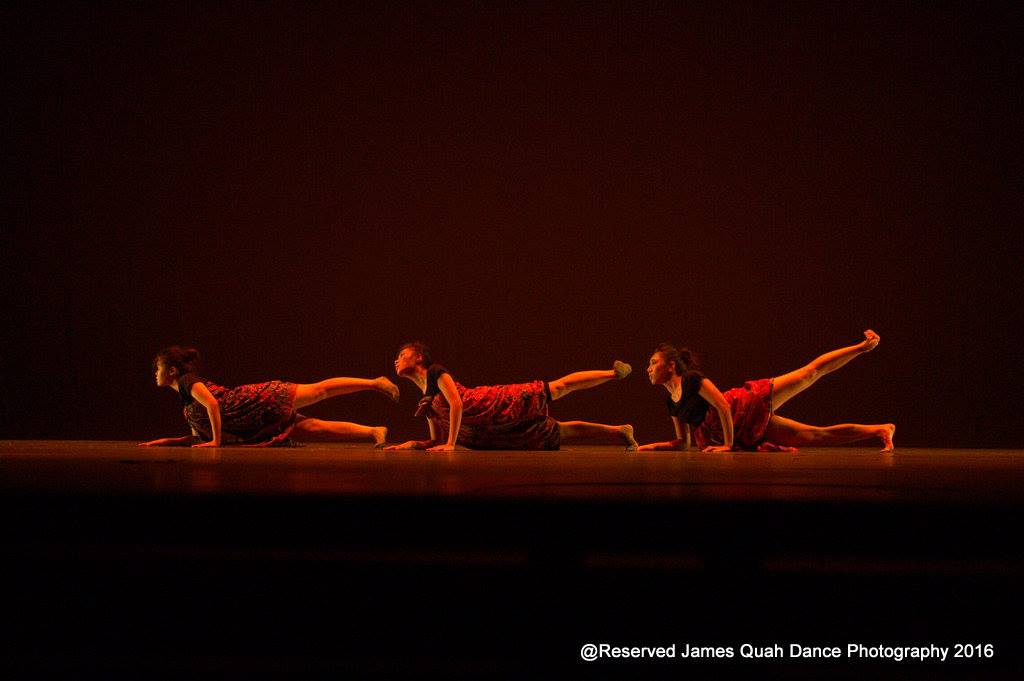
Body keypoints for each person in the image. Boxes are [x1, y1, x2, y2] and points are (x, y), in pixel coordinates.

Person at [637, 330, 895, 453]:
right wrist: (650, 447)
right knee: (814, 436)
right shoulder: (671, 402)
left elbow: (722, 406)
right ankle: (880, 430)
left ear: (671, 366)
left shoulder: (692, 379)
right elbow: (683, 443)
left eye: (653, 362)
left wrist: (727, 445)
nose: (648, 368)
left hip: (744, 407)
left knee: (808, 373)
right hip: (741, 431)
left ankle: (862, 347)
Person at [385, 342, 639, 451]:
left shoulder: (436, 372)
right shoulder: (426, 399)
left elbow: (457, 404)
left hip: (493, 404)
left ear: (419, 357)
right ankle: (619, 431)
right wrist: (413, 444)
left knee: (555, 388)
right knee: (554, 431)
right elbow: (436, 441)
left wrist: (451, 444)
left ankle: (612, 373)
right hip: (488, 432)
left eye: (402, 355)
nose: (397, 360)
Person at [140, 346, 399, 447]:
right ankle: (373, 431)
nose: (155, 374)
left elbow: (213, 405)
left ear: (172, 371)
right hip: (257, 420)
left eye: (158, 369)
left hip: (260, 400)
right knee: (313, 428)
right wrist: (167, 441)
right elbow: (199, 438)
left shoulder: (188, 382)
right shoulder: (187, 404)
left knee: (318, 391)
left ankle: (375, 383)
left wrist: (216, 441)